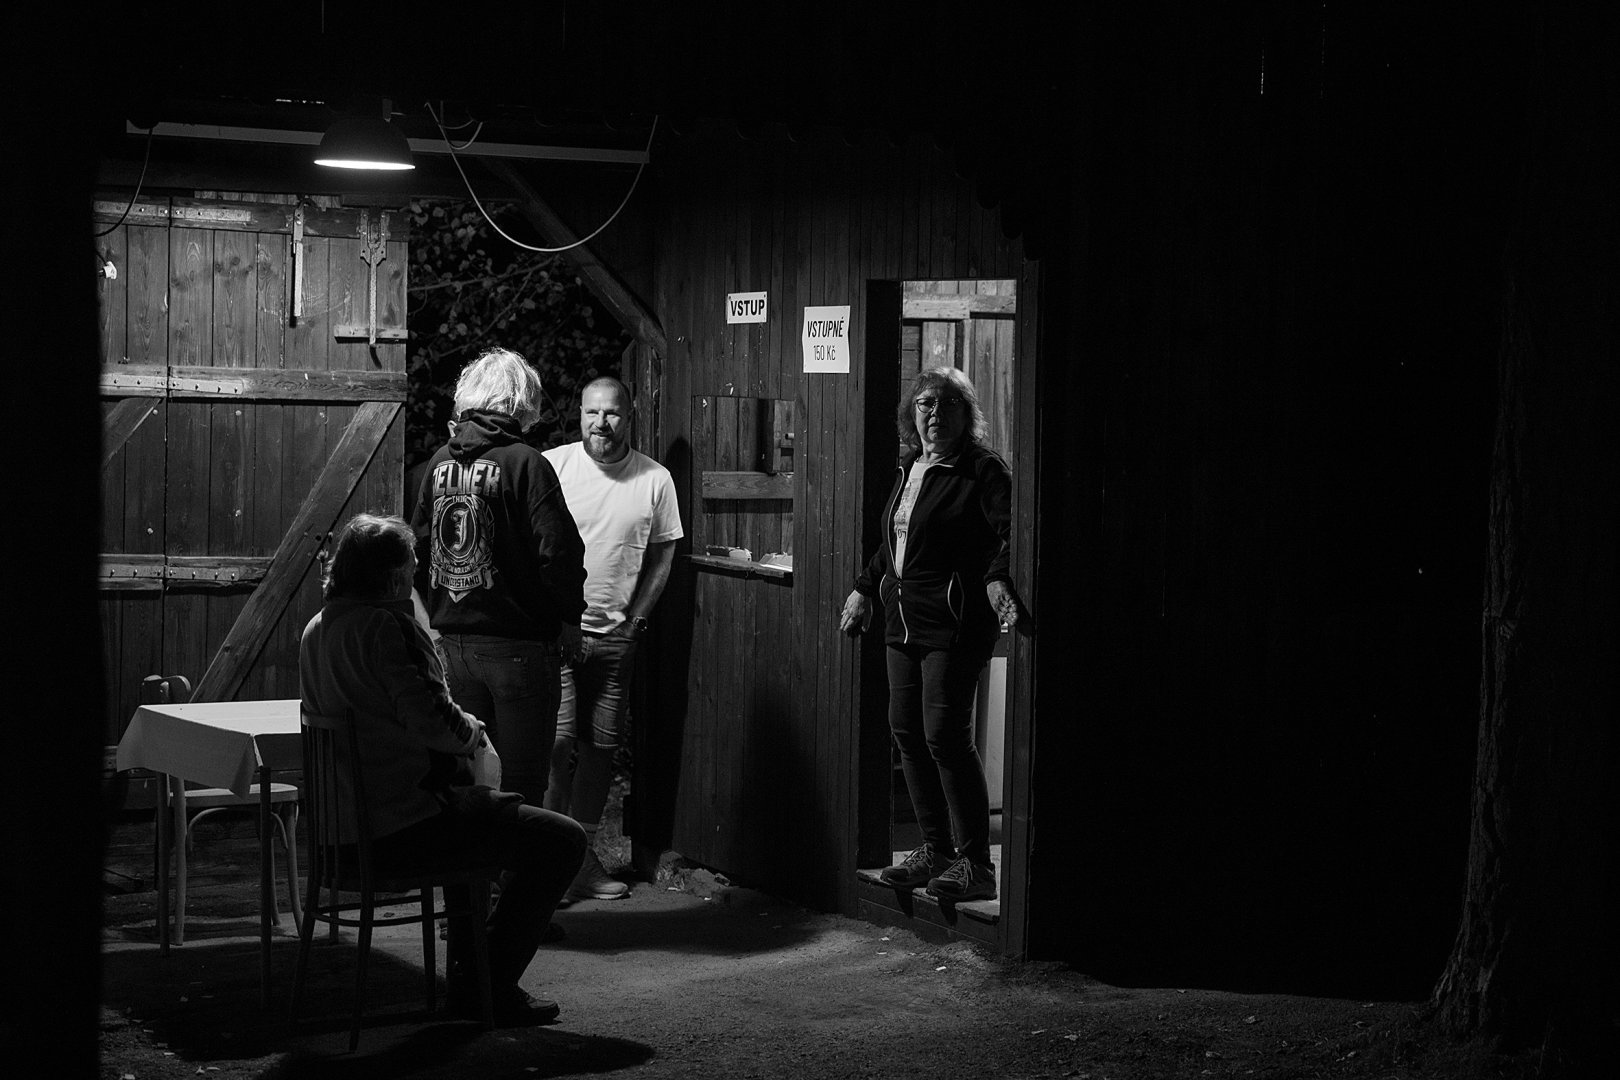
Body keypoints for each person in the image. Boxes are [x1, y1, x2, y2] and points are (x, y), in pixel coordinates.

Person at [299, 513, 587, 1024]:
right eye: (411, 565)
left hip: (339, 835)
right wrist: (474, 731)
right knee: (560, 840)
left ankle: (472, 975)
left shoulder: (317, 629)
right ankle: (487, 983)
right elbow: (435, 722)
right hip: (402, 830)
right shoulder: (388, 628)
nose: (416, 574)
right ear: (392, 576)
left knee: (480, 814)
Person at [838, 366, 1028, 903]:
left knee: (944, 735)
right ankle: (936, 849)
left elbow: (1015, 532)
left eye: (948, 404)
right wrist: (864, 588)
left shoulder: (982, 469)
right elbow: (894, 544)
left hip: (954, 621)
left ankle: (977, 863)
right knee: (906, 731)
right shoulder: (911, 466)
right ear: (912, 413)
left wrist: (996, 578)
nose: (935, 413)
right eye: (925, 403)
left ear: (967, 415)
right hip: (902, 619)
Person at [410, 347, 588, 805]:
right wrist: (569, 617)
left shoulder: (438, 464)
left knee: (472, 777)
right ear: (520, 401)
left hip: (454, 647)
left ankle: (478, 855)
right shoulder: (526, 462)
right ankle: (519, 856)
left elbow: (418, 548)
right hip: (519, 646)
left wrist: (437, 620)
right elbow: (559, 551)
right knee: (523, 783)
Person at [541, 377, 683, 902]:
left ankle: (578, 860)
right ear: (579, 414)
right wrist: (550, 617)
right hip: (559, 633)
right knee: (557, 747)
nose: (601, 423)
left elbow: (664, 554)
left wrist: (637, 620)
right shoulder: (551, 467)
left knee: (599, 750)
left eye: (612, 413)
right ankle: (548, 862)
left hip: (616, 636)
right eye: (591, 412)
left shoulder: (655, 479)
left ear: (630, 414)